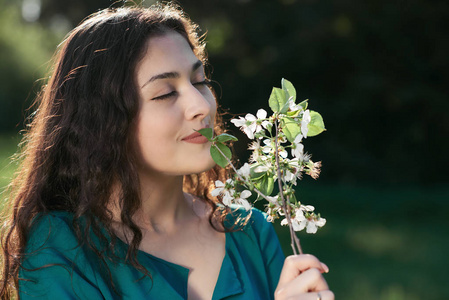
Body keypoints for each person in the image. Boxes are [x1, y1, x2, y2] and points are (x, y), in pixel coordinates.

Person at [0, 3, 334, 300]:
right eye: (164, 94)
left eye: (200, 81)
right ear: (101, 120)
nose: (200, 106)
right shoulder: (61, 249)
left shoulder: (249, 230)